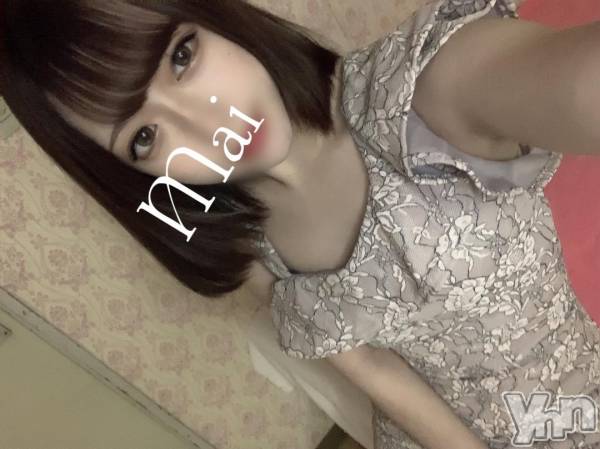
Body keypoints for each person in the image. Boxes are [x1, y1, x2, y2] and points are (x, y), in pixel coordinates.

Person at [1, 1, 599, 448]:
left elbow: (576, 85)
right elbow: (372, 368)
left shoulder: (417, 93)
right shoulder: (245, 239)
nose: (210, 124)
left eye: (182, 56)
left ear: (215, 18)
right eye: (144, 137)